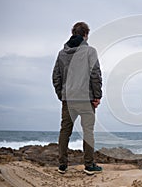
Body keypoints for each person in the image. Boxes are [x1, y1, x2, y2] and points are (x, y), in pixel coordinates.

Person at [52, 22, 102, 175]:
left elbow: (56, 76)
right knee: (88, 131)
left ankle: (62, 165)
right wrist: (97, 96)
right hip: (86, 99)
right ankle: (89, 165)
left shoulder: (62, 53)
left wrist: (62, 95)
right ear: (86, 34)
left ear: (73, 33)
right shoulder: (90, 51)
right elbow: (95, 74)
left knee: (65, 131)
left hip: (68, 99)